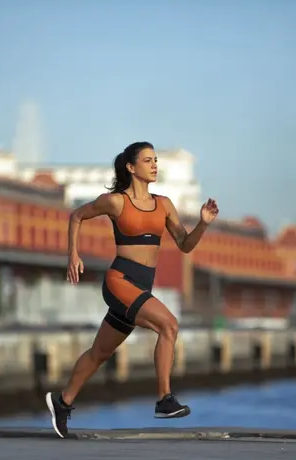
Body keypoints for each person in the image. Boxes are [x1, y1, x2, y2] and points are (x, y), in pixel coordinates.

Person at [45, 141, 219, 438]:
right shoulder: (115, 202)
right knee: (169, 325)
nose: (154, 165)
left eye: (156, 160)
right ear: (131, 167)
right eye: (148, 160)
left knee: (100, 352)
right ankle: (164, 398)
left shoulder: (164, 204)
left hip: (140, 286)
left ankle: (62, 402)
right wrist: (73, 254)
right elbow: (77, 216)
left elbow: (185, 245)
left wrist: (202, 224)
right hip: (119, 281)